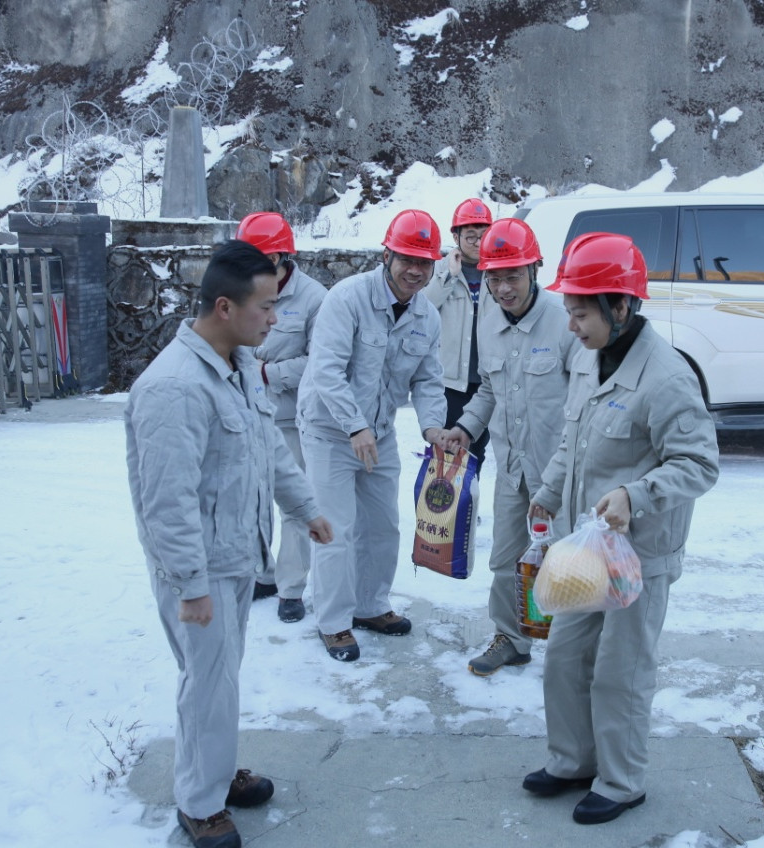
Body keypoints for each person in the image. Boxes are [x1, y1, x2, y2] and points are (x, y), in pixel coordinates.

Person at [125, 240, 334, 848]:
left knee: (218, 680)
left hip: (236, 553)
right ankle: (199, 803)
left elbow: (268, 449)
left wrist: (305, 508)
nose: (275, 318)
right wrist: (190, 586)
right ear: (225, 307)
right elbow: (167, 502)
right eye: (266, 307)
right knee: (208, 683)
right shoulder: (174, 388)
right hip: (200, 569)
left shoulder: (238, 366)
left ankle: (213, 772)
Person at [524, 232, 719, 826]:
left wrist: (637, 495)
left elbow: (699, 464)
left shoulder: (667, 377)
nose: (571, 325)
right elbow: (573, 438)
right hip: (586, 548)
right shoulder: (588, 357)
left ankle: (621, 781)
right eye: (569, 311)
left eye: (581, 313)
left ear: (622, 307)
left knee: (620, 672)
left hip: (640, 555)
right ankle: (573, 761)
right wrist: (548, 491)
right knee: (564, 658)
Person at [297, 209, 448, 662]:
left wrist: (433, 427)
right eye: (407, 260)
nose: (415, 271)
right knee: (335, 529)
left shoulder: (427, 316)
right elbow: (325, 370)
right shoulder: (347, 299)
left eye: (424, 263)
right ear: (387, 256)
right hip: (329, 430)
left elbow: (428, 380)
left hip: (378, 434)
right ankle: (333, 622)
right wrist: (354, 425)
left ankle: (370, 605)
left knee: (383, 525)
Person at [440, 218, 576, 676]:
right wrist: (465, 428)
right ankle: (511, 639)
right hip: (512, 468)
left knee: (566, 562)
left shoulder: (564, 322)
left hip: (559, 474)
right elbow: (488, 389)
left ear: (535, 269)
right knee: (505, 560)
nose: (502, 288)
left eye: (513, 276)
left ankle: (570, 648)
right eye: (494, 278)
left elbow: (584, 403)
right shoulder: (489, 320)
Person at [236, 211, 327, 624]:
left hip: (292, 419)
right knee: (253, 498)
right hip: (248, 414)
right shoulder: (242, 290)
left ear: (279, 257)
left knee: (293, 502)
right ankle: (263, 574)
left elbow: (322, 361)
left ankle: (291, 588)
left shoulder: (314, 299)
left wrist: (268, 373)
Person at [425, 198, 493, 476]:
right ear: (456, 237)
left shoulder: (497, 270)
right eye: (470, 236)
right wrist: (449, 276)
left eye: (483, 235)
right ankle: (439, 502)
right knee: (446, 452)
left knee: (477, 451)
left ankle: (469, 500)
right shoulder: (441, 268)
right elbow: (424, 309)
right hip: (451, 383)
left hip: (486, 380)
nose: (478, 243)